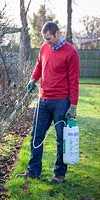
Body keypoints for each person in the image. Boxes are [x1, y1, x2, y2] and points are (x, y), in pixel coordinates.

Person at [26, 21, 80, 183]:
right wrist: (32, 78)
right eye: (44, 38)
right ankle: (33, 171)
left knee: (61, 139)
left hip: (61, 102)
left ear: (57, 33)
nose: (46, 41)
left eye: (49, 38)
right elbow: (39, 65)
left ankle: (59, 174)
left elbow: (74, 81)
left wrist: (73, 106)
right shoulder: (44, 48)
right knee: (36, 136)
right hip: (43, 100)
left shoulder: (71, 53)